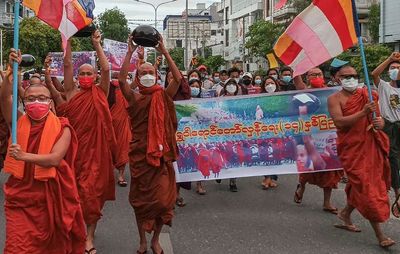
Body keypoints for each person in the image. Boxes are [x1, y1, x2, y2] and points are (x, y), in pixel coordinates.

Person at [1, 49, 86, 253]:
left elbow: (55, 159)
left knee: (50, 246)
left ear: (50, 103)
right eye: (31, 99)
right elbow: (4, 99)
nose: (36, 102)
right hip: (21, 199)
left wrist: (23, 156)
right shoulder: (17, 121)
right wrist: (11, 74)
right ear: (24, 102)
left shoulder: (63, 126)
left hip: (50, 197)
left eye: (42, 98)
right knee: (16, 247)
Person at [118, 35, 180, 254]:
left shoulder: (163, 96)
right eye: (142, 73)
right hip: (140, 157)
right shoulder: (134, 97)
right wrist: (129, 52)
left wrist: (164, 51)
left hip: (161, 157)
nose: (146, 76)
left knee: (164, 202)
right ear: (138, 76)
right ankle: (143, 241)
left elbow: (179, 79)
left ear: (157, 76)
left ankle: (156, 239)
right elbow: (121, 79)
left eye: (150, 73)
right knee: (140, 201)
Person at [61, 31, 116, 253]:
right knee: (71, 196)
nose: (85, 76)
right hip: (72, 154)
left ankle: (89, 236)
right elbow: (66, 65)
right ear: (77, 76)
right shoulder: (71, 93)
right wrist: (68, 42)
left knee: (92, 196)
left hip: (96, 155)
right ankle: (74, 231)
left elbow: (106, 69)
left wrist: (97, 44)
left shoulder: (101, 92)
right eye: (81, 73)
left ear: (94, 77)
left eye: (88, 73)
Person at [327, 65, 395, 248]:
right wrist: (363, 112)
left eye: (354, 75)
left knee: (362, 186)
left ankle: (345, 213)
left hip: (371, 146)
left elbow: (378, 121)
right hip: (352, 150)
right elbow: (340, 123)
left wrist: (379, 122)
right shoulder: (334, 99)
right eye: (345, 76)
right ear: (336, 79)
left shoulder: (368, 95)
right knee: (366, 187)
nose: (351, 78)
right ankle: (380, 235)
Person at [293, 67, 343, 212]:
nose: (316, 76)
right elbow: (296, 78)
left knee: (331, 169)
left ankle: (327, 203)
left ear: (324, 76)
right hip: (310, 136)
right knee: (308, 167)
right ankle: (301, 187)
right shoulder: (304, 91)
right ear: (307, 77)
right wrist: (297, 64)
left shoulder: (332, 91)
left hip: (330, 135)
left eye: (319, 74)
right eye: (313, 74)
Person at [371, 52, 400, 217]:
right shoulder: (384, 86)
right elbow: (374, 74)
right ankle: (397, 195)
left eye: (398, 68)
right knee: (393, 160)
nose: (395, 70)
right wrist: (390, 59)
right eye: (392, 68)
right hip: (388, 127)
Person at [109, 73, 131, 187]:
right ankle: (108, 173)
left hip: (123, 125)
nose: (116, 81)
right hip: (109, 127)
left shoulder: (126, 91)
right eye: (114, 77)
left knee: (123, 149)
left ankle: (121, 175)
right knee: (109, 151)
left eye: (119, 78)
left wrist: (140, 61)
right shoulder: (106, 91)